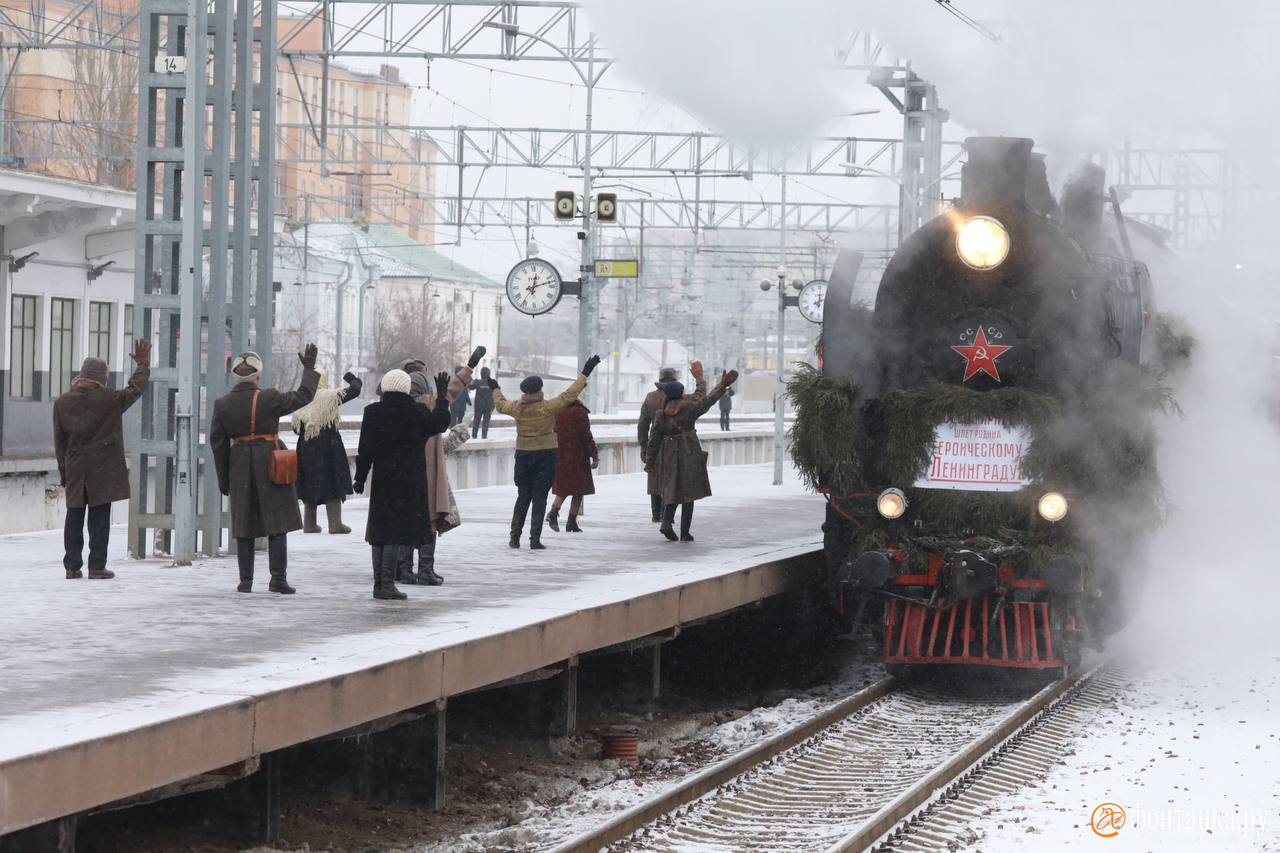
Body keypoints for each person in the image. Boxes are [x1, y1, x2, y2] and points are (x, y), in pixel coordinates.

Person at [211, 346, 320, 594]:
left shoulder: (222, 404)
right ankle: (278, 578)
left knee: (244, 523)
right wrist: (309, 370)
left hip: (239, 465)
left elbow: (217, 444)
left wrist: (224, 479)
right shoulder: (269, 398)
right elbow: (304, 396)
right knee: (277, 522)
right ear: (258, 376)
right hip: (270, 463)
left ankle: (245, 580)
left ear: (235, 375)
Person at [53, 340, 151, 580]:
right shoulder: (109, 399)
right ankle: (97, 566)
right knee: (99, 517)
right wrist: (143, 365)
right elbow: (135, 389)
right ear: (101, 378)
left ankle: (72, 566)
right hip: (103, 467)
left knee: (73, 515)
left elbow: (60, 443)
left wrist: (64, 472)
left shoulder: (62, 402)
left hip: (76, 466)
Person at [354, 368, 452, 600]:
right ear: (407, 388)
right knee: (395, 532)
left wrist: (360, 477)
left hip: (383, 478)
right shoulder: (416, 411)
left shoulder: (373, 412)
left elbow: (365, 450)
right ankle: (386, 585)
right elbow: (440, 424)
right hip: (409, 479)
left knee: (380, 530)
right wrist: (442, 396)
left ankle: (380, 583)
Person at [490, 354, 600, 550]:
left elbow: (499, 404)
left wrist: (495, 388)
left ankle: (514, 537)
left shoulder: (516, 408)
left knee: (522, 496)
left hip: (523, 455)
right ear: (539, 391)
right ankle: (534, 539)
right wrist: (585, 373)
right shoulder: (547, 408)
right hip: (545, 456)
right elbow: (569, 395)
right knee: (540, 497)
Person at [397, 346, 485, 586]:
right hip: (429, 473)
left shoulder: (397, 408)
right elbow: (453, 391)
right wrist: (469, 366)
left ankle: (405, 569)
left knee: (408, 519)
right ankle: (424, 569)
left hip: (405, 473)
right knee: (430, 519)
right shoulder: (431, 405)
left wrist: (469, 367)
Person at [646, 369, 739, 542]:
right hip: (688, 452)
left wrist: (650, 462)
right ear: (681, 394)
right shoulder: (689, 408)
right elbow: (708, 400)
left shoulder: (660, 415)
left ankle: (666, 522)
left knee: (672, 491)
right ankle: (685, 533)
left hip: (668, 455)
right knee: (689, 493)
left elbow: (653, 440)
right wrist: (722, 385)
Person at [292, 369, 362, 534]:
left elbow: (296, 430)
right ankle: (335, 523)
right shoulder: (330, 397)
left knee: (310, 480)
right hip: (329, 447)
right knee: (333, 479)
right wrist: (351, 378)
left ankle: (309, 524)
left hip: (306, 448)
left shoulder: (301, 399)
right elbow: (355, 390)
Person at [638, 362, 707, 522]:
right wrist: (700, 380)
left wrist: (644, 447)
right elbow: (700, 398)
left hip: (655, 444)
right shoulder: (681, 397)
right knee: (672, 480)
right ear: (675, 379)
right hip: (676, 446)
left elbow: (642, 425)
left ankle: (656, 513)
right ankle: (668, 517)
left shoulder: (650, 398)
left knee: (655, 478)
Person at [546, 399, 598, 533]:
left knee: (563, 488)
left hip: (561, 455)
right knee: (579, 490)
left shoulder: (557, 411)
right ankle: (570, 521)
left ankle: (555, 513)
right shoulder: (580, 413)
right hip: (578, 456)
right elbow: (586, 435)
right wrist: (594, 454)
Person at [470, 366, 496, 438]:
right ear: (488, 374)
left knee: (476, 422)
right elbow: (498, 391)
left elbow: (470, 387)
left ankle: (474, 437)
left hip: (478, 406)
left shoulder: (477, 382)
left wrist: (472, 380)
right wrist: (494, 405)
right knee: (486, 423)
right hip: (488, 407)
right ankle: (484, 436)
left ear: (481, 373)